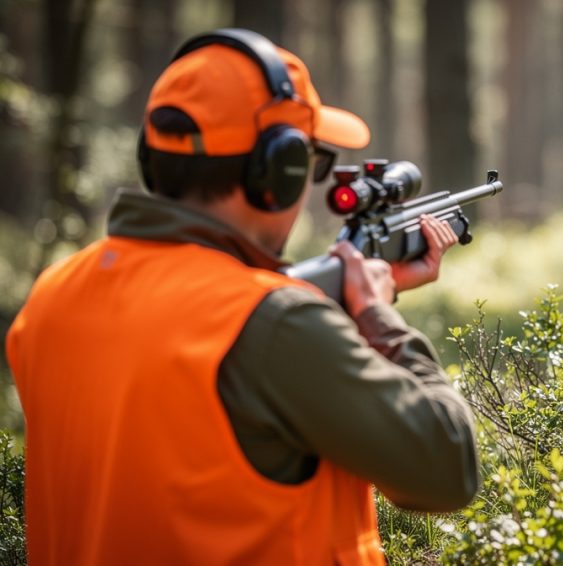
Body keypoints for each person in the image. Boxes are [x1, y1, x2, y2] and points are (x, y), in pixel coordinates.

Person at [5, 28, 478, 565]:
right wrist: (375, 316)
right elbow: (449, 470)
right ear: (279, 170)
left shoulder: (53, 297)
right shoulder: (271, 324)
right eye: (315, 161)